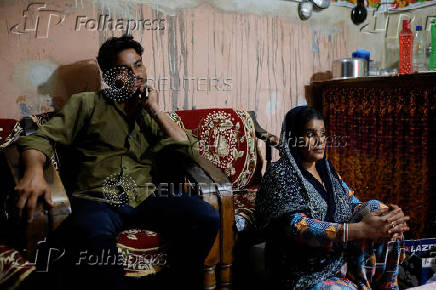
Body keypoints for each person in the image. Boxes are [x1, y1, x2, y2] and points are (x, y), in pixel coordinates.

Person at [14, 35, 220, 290]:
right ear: (109, 75)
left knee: (206, 216)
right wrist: (33, 172)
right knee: (93, 239)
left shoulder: (152, 115)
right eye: (125, 69)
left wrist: (155, 110)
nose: (136, 74)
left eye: (139, 65)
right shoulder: (86, 104)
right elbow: (39, 139)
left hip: (144, 197)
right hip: (96, 200)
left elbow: (190, 152)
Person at [255, 106, 410, 289]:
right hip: (301, 273)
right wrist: (361, 229)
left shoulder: (325, 170)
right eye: (310, 134)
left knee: (378, 209)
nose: (320, 140)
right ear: (294, 139)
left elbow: (353, 205)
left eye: (322, 133)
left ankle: (386, 286)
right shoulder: (280, 175)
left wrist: (390, 215)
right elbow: (298, 227)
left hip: (335, 261)